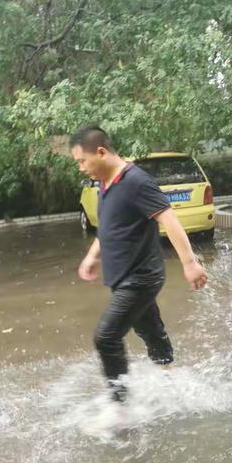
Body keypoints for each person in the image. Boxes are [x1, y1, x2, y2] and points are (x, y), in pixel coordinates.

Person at [70, 125, 207, 402]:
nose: (81, 168)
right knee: (149, 329)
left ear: (100, 152)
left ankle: (120, 407)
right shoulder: (106, 183)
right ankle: (173, 377)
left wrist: (190, 263)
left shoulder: (135, 181)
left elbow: (169, 219)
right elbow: (110, 227)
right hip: (124, 275)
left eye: (82, 161)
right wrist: (93, 255)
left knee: (106, 338)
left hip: (140, 277)